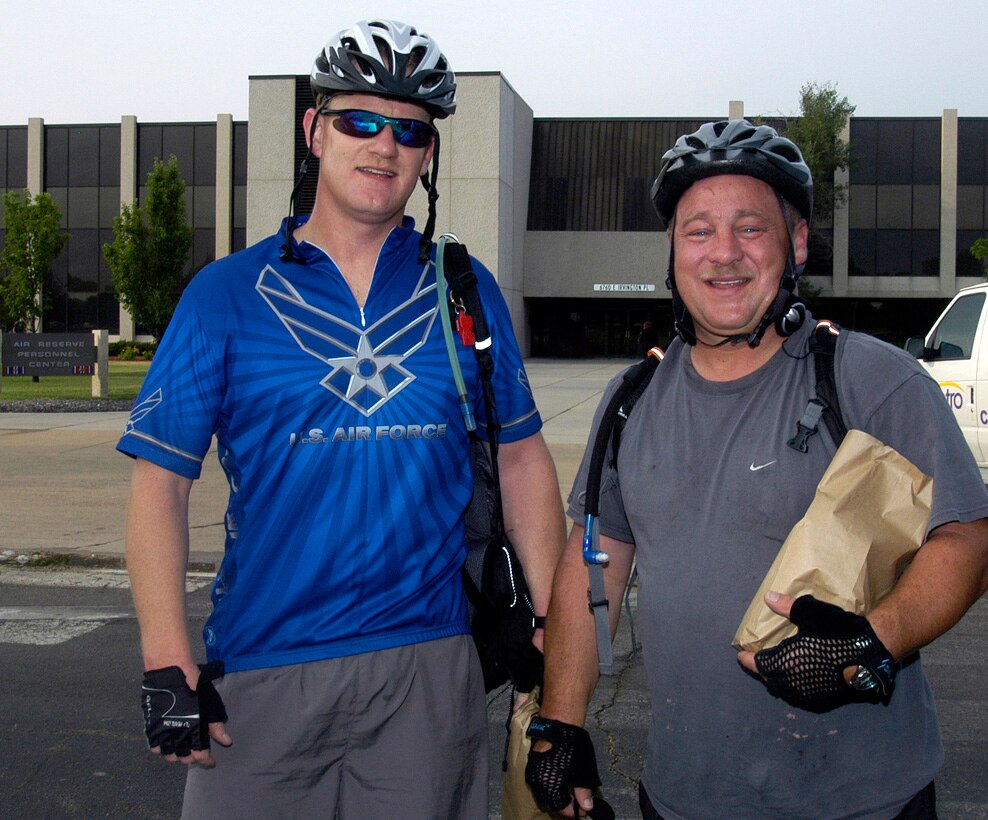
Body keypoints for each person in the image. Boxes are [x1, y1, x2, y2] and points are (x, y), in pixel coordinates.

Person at [119, 19, 565, 819]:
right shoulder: (225, 295)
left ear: (428, 154)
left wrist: (550, 615)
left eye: (410, 130)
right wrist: (166, 656)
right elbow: (162, 483)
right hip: (262, 664)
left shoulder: (464, 291)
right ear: (314, 130)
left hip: (428, 666)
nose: (384, 146)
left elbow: (523, 458)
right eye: (360, 120)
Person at [526, 119, 988, 819]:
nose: (724, 253)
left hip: (861, 801)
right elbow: (594, 563)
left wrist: (876, 640)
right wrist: (560, 723)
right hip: (684, 796)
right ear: (674, 249)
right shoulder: (630, 401)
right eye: (699, 231)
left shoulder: (870, 381)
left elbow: (967, 540)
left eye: (750, 228)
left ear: (795, 243)